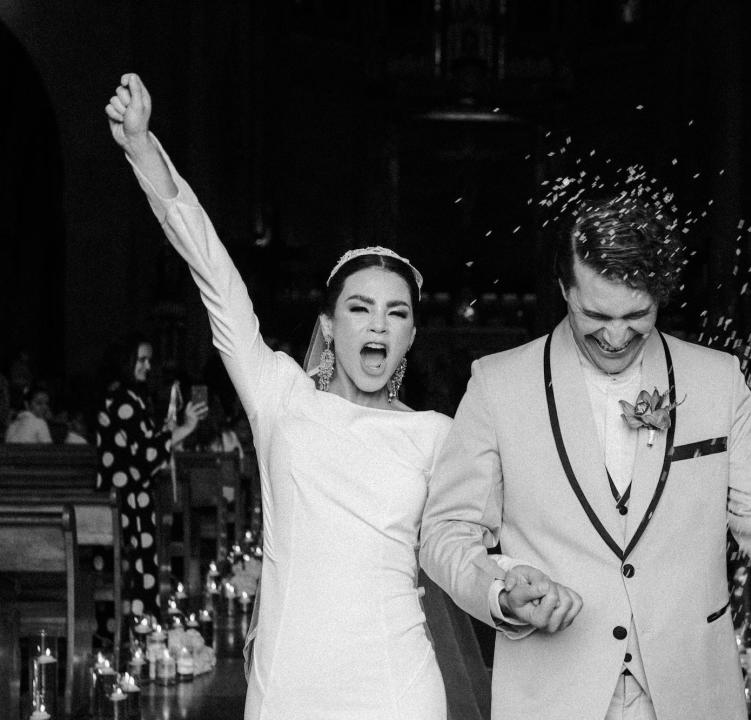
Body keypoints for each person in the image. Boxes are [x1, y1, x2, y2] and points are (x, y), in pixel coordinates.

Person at [106, 73, 488, 720]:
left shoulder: (436, 433)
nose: (376, 324)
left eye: (395, 314)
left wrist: (511, 587)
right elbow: (214, 274)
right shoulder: (280, 397)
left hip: (398, 689)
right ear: (330, 326)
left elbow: (467, 555)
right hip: (289, 686)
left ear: (412, 334)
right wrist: (143, 149)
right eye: (360, 308)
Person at [420, 195, 751, 720]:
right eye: (595, 314)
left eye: (637, 315)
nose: (616, 336)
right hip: (553, 692)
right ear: (565, 290)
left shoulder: (717, 379)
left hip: (692, 690)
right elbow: (447, 532)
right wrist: (500, 592)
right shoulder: (496, 384)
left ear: (660, 296)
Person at [96, 334, 207, 619]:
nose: (147, 365)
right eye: (141, 359)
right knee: (135, 574)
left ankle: (138, 633)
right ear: (126, 362)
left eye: (149, 359)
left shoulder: (129, 396)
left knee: (138, 573)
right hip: (128, 503)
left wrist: (173, 429)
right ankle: (138, 635)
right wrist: (185, 427)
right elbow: (146, 454)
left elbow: (143, 446)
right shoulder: (123, 399)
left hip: (132, 498)